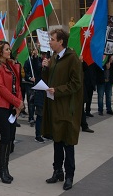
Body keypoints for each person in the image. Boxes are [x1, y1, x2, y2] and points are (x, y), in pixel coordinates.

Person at [42, 29, 83, 191]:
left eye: (52, 39)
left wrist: (57, 90)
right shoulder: (53, 58)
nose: (50, 42)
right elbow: (48, 81)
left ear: (61, 42)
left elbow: (76, 83)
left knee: (67, 141)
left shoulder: (72, 58)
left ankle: (69, 175)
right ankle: (57, 171)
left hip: (67, 107)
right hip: (54, 106)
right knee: (57, 140)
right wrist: (45, 69)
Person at [0, 41, 23, 184]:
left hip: (12, 106)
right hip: (0, 106)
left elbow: (17, 86)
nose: (9, 51)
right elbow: (1, 89)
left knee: (10, 137)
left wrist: (18, 103)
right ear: (0, 51)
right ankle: (2, 169)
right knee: (5, 136)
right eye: (7, 49)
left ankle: (5, 169)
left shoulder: (11, 65)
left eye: (9, 49)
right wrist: (17, 102)